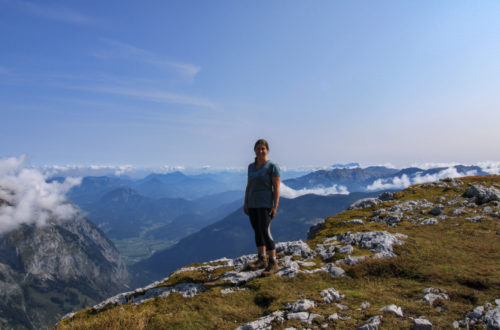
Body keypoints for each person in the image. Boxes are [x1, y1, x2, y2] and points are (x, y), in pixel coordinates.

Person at [244, 139, 281, 276]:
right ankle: (262, 259)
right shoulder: (251, 167)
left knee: (265, 231)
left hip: (265, 204)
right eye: (258, 148)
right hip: (253, 204)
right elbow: (249, 185)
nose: (260, 151)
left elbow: (276, 188)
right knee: (257, 230)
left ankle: (273, 262)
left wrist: (275, 206)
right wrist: (246, 202)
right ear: (254, 150)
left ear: (267, 150)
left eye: (263, 148)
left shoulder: (272, 166)